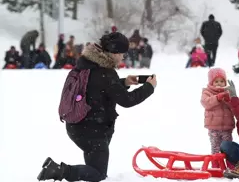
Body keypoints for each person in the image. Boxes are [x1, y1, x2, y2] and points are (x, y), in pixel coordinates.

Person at [37, 32, 157, 182]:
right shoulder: (106, 73)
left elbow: (99, 89)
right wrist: (149, 87)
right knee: (98, 173)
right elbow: (127, 100)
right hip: (93, 130)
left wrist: (125, 82)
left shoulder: (87, 65)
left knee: (93, 169)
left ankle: (60, 170)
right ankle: (58, 171)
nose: (122, 58)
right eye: (121, 54)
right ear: (113, 52)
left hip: (78, 125)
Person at [201, 68, 234, 168]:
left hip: (227, 127)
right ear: (211, 82)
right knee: (215, 147)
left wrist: (229, 99)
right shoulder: (207, 92)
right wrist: (217, 98)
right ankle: (215, 165)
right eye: (216, 81)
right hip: (213, 127)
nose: (219, 84)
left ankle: (229, 164)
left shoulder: (228, 92)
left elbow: (234, 106)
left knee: (228, 147)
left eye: (222, 81)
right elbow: (206, 103)